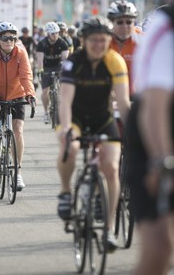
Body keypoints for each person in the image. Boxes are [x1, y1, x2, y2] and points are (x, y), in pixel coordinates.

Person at [56, 16, 130, 251]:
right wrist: (67, 130)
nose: (99, 44)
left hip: (102, 119)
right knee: (72, 146)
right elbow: (65, 101)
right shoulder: (73, 62)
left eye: (104, 40)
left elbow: (123, 102)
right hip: (75, 118)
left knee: (111, 166)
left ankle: (108, 230)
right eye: (94, 40)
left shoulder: (115, 61)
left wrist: (132, 132)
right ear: (84, 40)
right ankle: (66, 192)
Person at [126, 3, 174, 275]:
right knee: (160, 249)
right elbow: (154, 106)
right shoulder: (164, 29)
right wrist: (162, 160)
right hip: (153, 138)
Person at [0, 22, 36, 191]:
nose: (9, 41)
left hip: (16, 93)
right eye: (5, 38)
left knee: (18, 130)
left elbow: (26, 75)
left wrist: (30, 94)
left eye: (12, 38)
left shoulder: (21, 52)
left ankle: (18, 172)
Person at [36, 22, 69, 124]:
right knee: (45, 91)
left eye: (56, 33)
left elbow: (65, 58)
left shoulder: (63, 43)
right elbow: (40, 60)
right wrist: (40, 70)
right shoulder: (42, 44)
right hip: (46, 67)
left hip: (58, 65)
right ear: (48, 34)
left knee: (63, 87)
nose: (55, 35)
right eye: (52, 33)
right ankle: (46, 113)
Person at [107, 0, 141, 98]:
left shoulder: (143, 41)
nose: (125, 26)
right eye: (120, 22)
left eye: (129, 22)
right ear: (112, 23)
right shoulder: (104, 41)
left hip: (137, 96)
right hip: (109, 95)